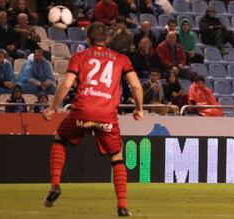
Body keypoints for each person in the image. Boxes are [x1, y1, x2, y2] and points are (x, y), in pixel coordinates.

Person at [42, 22, 144, 217]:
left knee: (60, 139)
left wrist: (52, 108)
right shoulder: (121, 59)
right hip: (106, 115)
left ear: (88, 39)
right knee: (116, 156)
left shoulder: (80, 56)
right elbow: (136, 86)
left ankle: (55, 185)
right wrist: (139, 109)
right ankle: (122, 206)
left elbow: (66, 86)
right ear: (106, 39)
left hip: (82, 111)